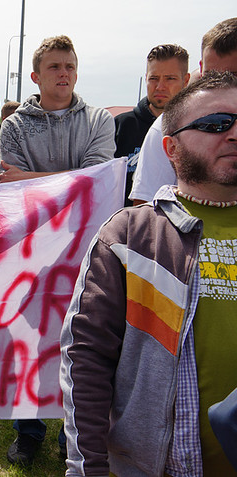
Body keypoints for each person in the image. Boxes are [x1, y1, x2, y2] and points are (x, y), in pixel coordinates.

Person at [61, 70, 237, 476]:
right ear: (171, 148)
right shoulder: (129, 237)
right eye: (215, 124)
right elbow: (85, 359)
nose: (233, 134)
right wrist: (86, 467)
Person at [0, 35, 115, 465]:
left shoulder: (100, 119)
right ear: (36, 76)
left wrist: (34, 177)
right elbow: (13, 184)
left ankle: (72, 434)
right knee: (28, 340)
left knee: (79, 344)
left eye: (69, 66)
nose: (63, 73)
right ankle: (27, 432)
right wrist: (69, 179)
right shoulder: (14, 126)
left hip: (87, 250)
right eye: (54, 67)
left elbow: (96, 178)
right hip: (31, 249)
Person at [130, 17, 237, 205]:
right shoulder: (168, 126)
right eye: (212, 77)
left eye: (233, 77)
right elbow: (145, 211)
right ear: (202, 68)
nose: (221, 87)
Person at [115, 44, 189, 205]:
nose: (160, 86)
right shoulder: (119, 126)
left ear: (186, 80)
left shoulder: (195, 130)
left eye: (170, 78)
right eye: (154, 78)